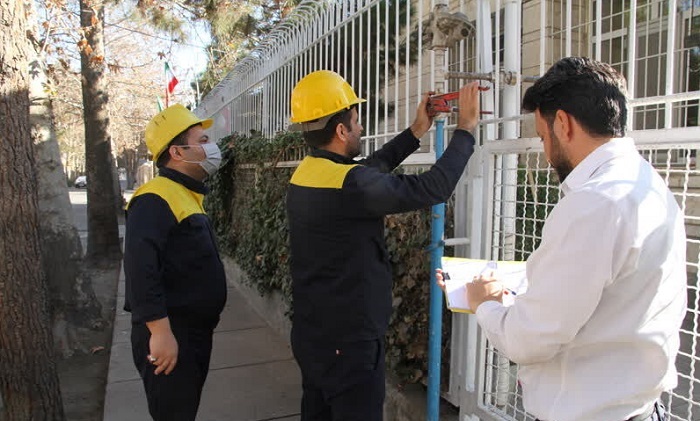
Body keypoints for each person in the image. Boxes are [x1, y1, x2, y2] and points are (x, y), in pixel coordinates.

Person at [458, 57, 687, 421]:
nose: (546, 152)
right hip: (640, 409)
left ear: (563, 123)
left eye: (542, 137)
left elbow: (529, 340)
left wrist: (485, 303)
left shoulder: (593, 204)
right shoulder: (645, 181)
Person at [286, 69, 481, 421]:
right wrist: (465, 130)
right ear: (341, 130)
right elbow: (432, 188)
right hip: (349, 345)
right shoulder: (352, 185)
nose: (361, 128)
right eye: (356, 121)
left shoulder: (307, 173)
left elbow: (368, 169)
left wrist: (416, 130)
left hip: (312, 334)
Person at [123, 103, 227, 421]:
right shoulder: (154, 198)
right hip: (171, 334)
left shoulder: (182, 193)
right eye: (203, 140)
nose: (211, 147)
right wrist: (160, 333)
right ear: (178, 152)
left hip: (190, 333)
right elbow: (140, 269)